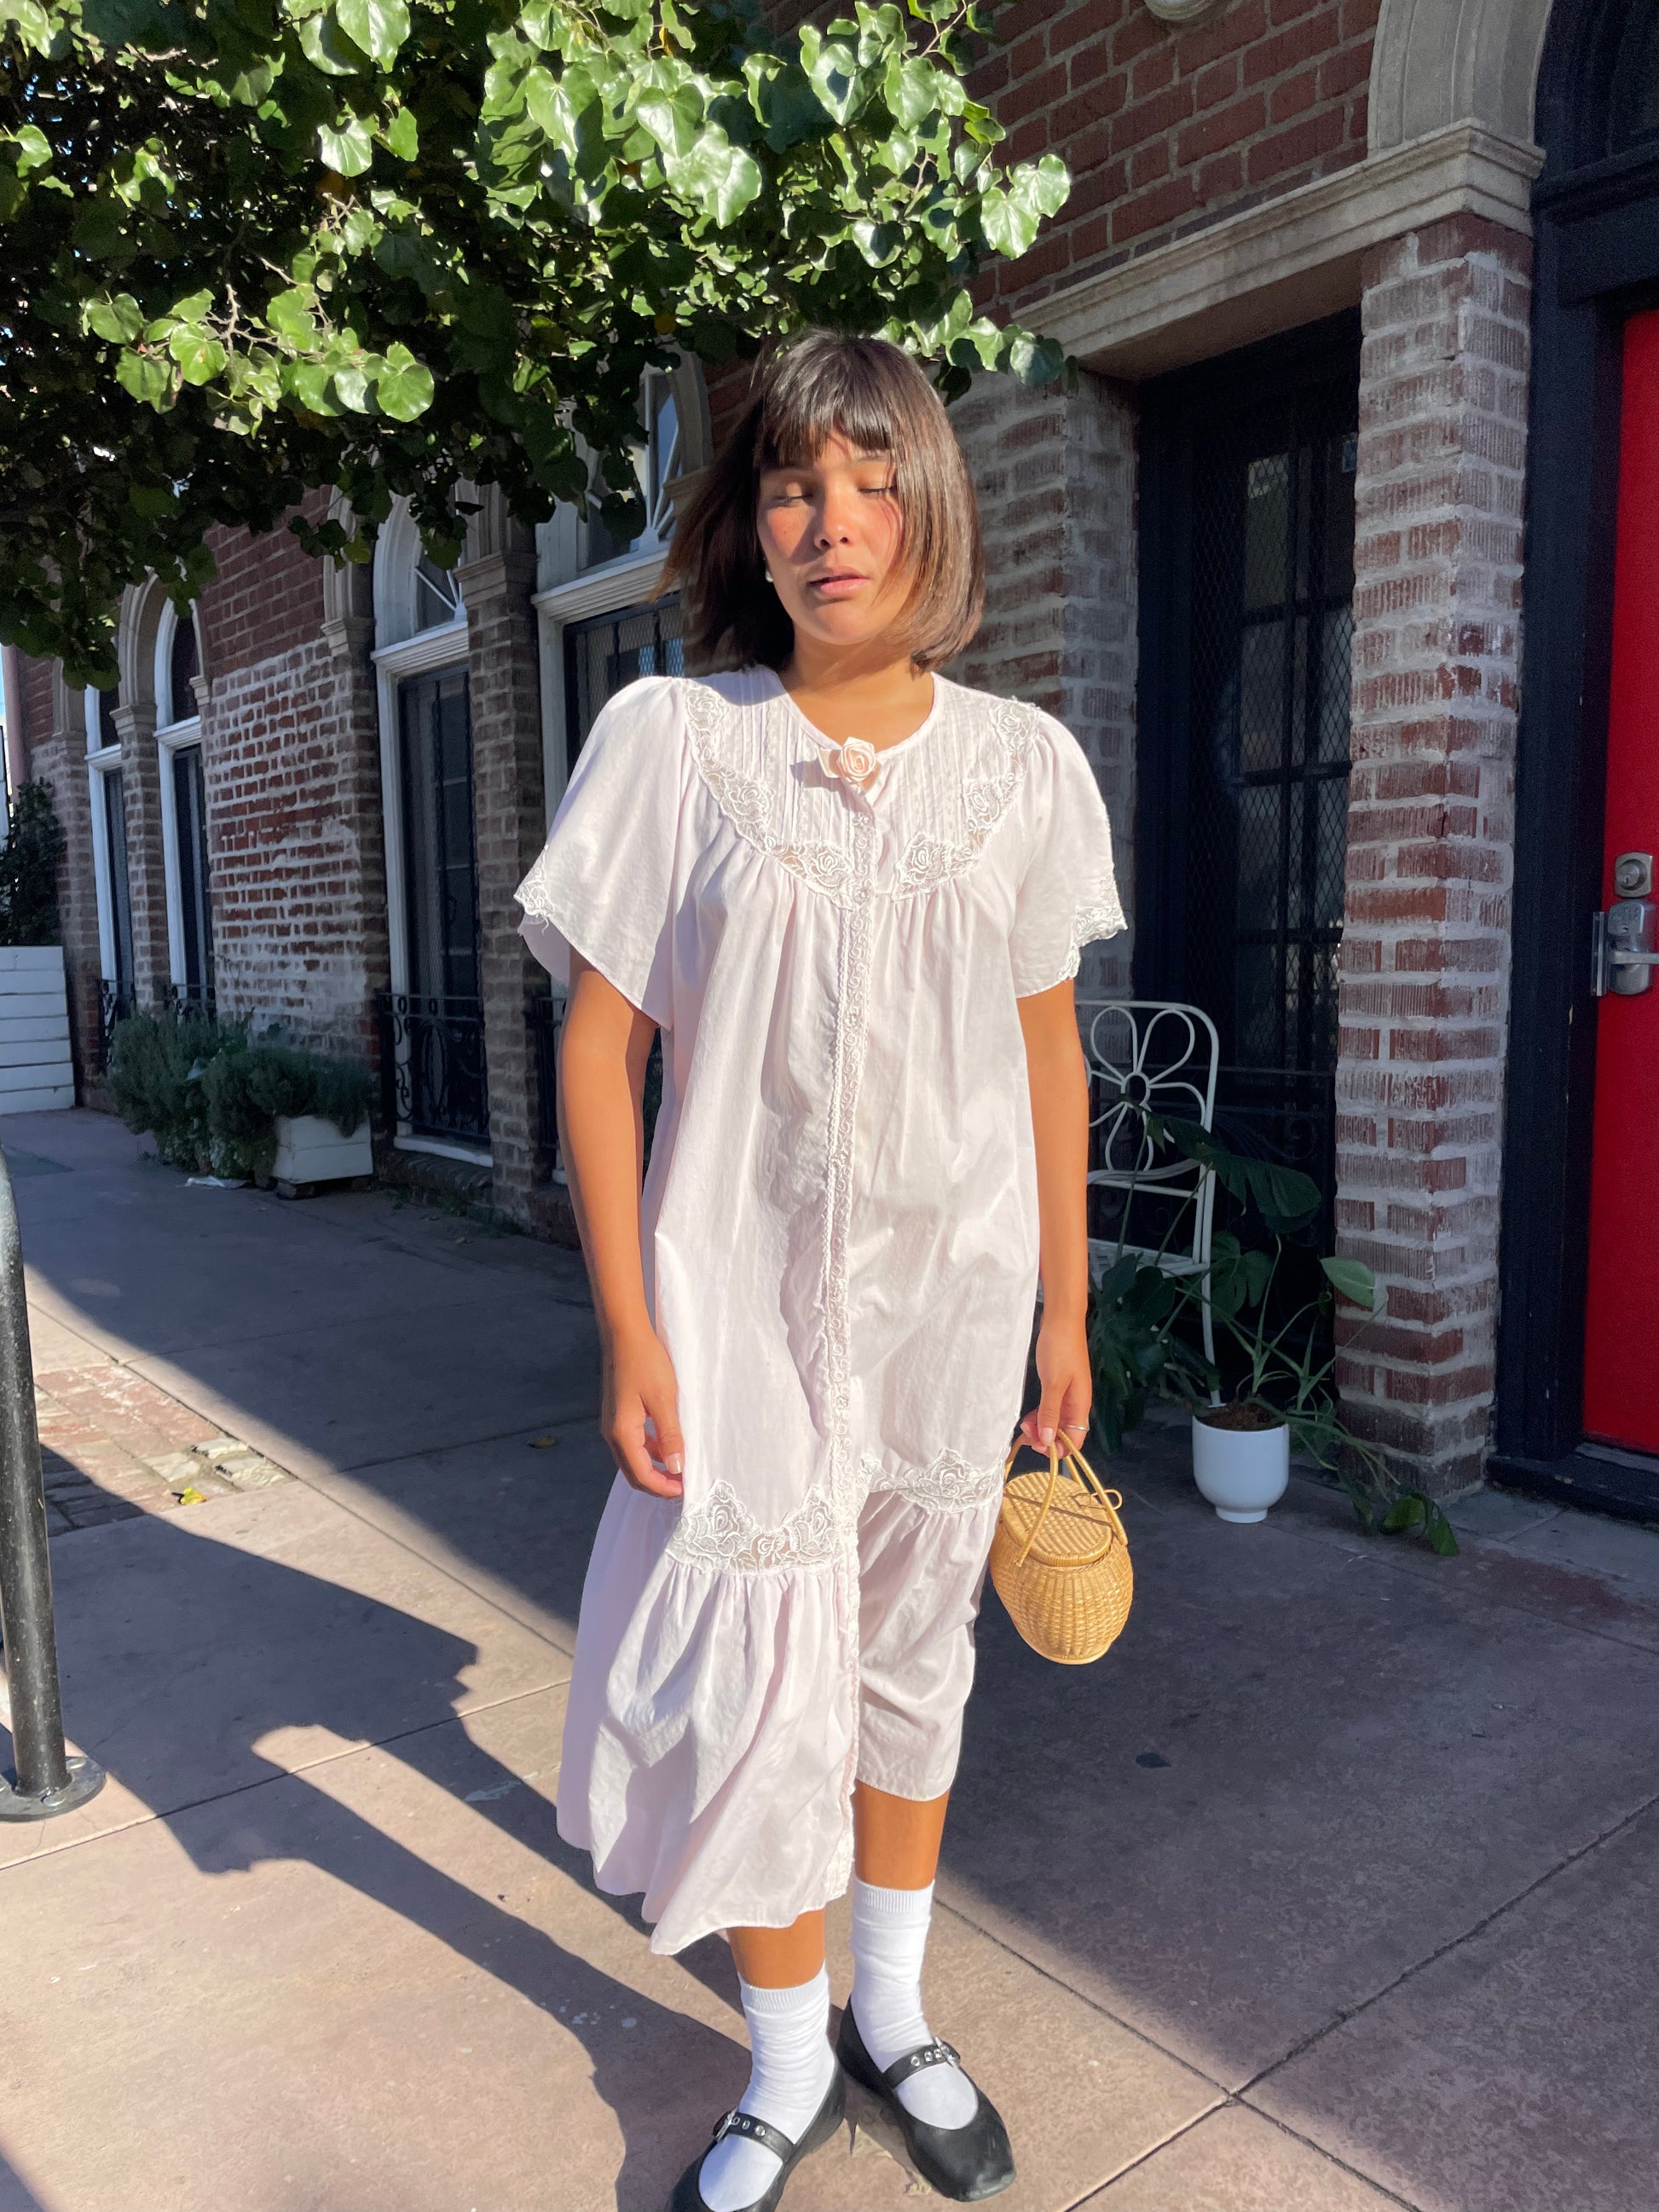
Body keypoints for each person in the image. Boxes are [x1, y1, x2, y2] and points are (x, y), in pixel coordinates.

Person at [516, 332, 1123, 2212]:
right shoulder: (678, 745)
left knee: (912, 1666)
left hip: (951, 1310)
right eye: (792, 483)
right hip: (736, 1318)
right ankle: (782, 2067)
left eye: (872, 482)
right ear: (747, 522)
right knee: (756, 1693)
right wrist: (627, 1319)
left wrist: (1067, 1301)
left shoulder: (1023, 769)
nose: (832, 520)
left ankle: (894, 2011)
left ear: (930, 509)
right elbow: (597, 1050)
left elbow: (1048, 1051)